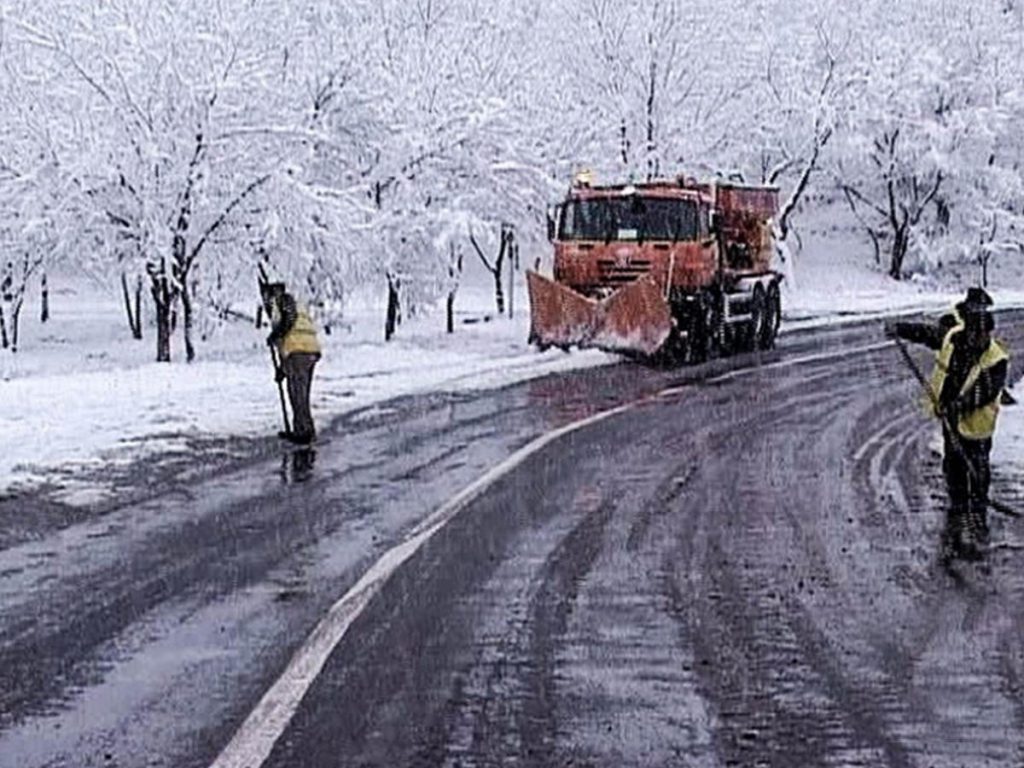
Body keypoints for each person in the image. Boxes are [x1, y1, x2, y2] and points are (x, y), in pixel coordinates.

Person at [886, 287, 1010, 562]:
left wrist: (956, 406)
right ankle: (957, 510)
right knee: (953, 465)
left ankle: (977, 513)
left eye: (984, 333)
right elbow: (929, 334)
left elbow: (983, 392)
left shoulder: (996, 360)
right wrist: (901, 328)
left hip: (977, 427)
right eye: (976, 331)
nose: (981, 337)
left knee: (977, 469)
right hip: (951, 420)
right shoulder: (954, 338)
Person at [264, 282, 322, 445]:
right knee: (300, 392)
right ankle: (305, 429)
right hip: (309, 350)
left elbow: (288, 322)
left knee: (297, 393)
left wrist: (275, 335)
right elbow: (284, 342)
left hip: (299, 351)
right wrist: (283, 371)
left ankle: (302, 432)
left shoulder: (284, 301)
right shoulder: (295, 304)